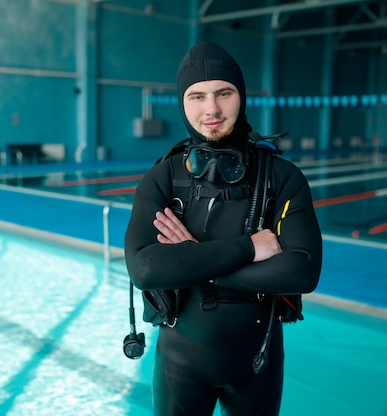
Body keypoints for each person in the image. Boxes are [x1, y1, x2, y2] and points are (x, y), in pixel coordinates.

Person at [124, 41, 322, 416]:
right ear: (183, 103)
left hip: (258, 363)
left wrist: (191, 256)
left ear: (241, 96)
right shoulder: (162, 178)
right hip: (180, 365)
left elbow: (302, 271)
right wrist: (250, 248)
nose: (211, 109)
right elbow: (145, 270)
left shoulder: (281, 178)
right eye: (197, 96)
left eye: (223, 93)